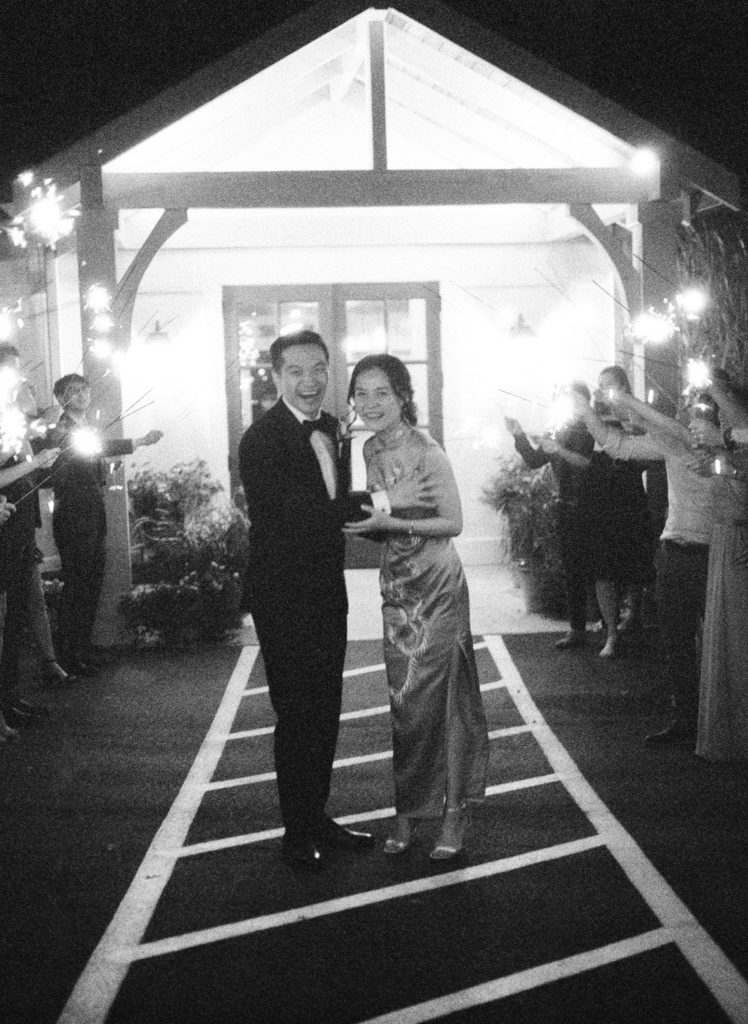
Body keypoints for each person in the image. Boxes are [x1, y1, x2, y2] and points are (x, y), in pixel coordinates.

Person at [238, 331, 432, 872]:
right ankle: (296, 833)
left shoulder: (330, 428)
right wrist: (392, 509)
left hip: (326, 588)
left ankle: (317, 816)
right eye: (296, 371)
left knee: (326, 710)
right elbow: (300, 516)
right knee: (296, 712)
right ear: (275, 376)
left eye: (319, 369)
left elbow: (340, 503)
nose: (310, 381)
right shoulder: (261, 440)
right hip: (282, 594)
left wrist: (397, 517)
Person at [345, 354, 489, 861]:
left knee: (444, 701)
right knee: (405, 702)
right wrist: (381, 518)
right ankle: (408, 806)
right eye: (361, 394)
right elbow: (381, 505)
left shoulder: (429, 451)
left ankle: (454, 812)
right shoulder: (368, 448)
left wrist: (393, 526)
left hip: (438, 585)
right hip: (398, 588)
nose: (371, 404)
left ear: (403, 396)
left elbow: (453, 522)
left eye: (382, 393)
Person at [573, 385, 720, 746]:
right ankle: (686, 721)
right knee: (676, 643)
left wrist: (626, 402)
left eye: (697, 407)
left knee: (720, 642)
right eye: (688, 406)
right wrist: (587, 411)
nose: (689, 413)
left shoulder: (726, 446)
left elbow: (675, 431)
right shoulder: (673, 442)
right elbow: (617, 445)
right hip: (674, 552)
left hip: (715, 554)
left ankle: (722, 724)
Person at [47, 373, 163, 676]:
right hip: (73, 512)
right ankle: (68, 653)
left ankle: (82, 648)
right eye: (74, 391)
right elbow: (93, 449)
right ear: (61, 399)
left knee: (92, 581)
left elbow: (95, 453)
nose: (83, 395)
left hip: (91, 509)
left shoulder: (85, 427)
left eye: (85, 389)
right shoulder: (61, 430)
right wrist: (136, 441)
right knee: (77, 583)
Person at [506, 380, 622, 658]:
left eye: (573, 400)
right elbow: (536, 459)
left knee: (601, 574)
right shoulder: (558, 427)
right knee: (573, 571)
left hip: (595, 510)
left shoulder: (592, 429)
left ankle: (611, 633)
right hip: (567, 508)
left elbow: (586, 462)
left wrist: (559, 450)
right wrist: (520, 435)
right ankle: (577, 629)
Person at [0, 344, 61, 729]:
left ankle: (11, 699)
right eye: (11, 371)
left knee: (17, 619)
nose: (19, 378)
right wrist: (35, 462)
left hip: (21, 525)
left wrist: (40, 461)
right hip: (5, 529)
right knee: (6, 619)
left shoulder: (14, 417)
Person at [689, 371, 748, 761]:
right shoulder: (724, 450)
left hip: (741, 541)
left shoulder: (736, 443)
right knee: (725, 637)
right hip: (723, 541)